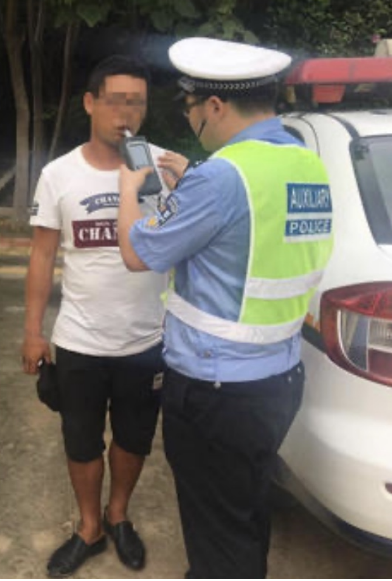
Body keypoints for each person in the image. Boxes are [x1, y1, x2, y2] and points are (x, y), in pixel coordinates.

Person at [117, 37, 334, 579]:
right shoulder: (307, 163)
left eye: (190, 108)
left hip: (216, 393)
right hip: (278, 380)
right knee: (244, 510)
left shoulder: (219, 177)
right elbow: (250, 229)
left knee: (216, 533)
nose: (191, 120)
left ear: (214, 106)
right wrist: (191, 187)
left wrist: (128, 185)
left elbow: (137, 253)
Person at [21, 55, 169, 578]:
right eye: (115, 101)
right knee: (81, 440)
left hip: (146, 339)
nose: (125, 113)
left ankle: (118, 515)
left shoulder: (163, 168)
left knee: (133, 438)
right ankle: (89, 527)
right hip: (80, 340)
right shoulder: (59, 174)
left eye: (137, 103)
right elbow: (42, 255)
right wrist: (33, 332)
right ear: (89, 103)